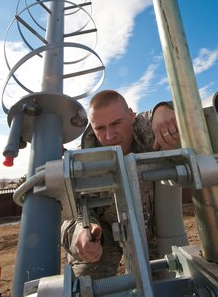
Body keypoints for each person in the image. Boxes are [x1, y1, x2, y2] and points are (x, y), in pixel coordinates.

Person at [61, 90, 179, 279]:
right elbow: (70, 215)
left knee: (169, 280)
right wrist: (82, 233)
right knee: (85, 286)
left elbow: (176, 113)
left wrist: (164, 108)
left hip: (149, 230)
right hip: (103, 235)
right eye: (100, 128)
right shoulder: (83, 162)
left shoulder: (144, 129)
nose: (109, 136)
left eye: (116, 123)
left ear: (131, 116)